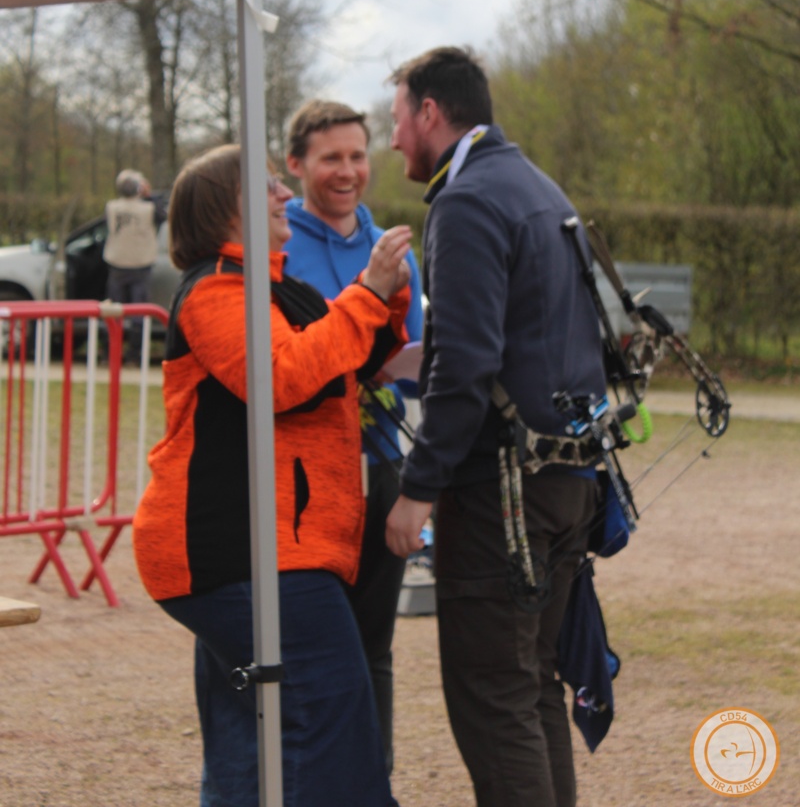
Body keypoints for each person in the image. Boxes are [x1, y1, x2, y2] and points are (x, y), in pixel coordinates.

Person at [132, 143, 411, 807]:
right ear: (226, 209)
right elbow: (281, 377)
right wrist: (368, 292)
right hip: (242, 552)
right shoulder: (215, 292)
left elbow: (346, 354)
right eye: (266, 187)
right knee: (335, 717)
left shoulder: (275, 289)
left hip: (266, 549)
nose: (286, 194)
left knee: (247, 737)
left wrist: (388, 297)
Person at [384, 47, 606, 807]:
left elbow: (466, 364)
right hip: (566, 481)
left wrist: (418, 489)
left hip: (502, 494)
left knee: (494, 702)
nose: (392, 140)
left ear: (430, 113)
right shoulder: (535, 184)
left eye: (396, 120)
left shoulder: (467, 200)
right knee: (531, 689)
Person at [283, 99, 423, 773]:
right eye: (330, 158)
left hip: (380, 461)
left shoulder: (390, 247)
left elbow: (414, 353)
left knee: (374, 646)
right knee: (306, 646)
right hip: (304, 476)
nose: (348, 171)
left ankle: (374, 779)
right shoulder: (277, 244)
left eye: (358, 156)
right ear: (296, 163)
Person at [103, 168, 166, 361]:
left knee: (113, 311)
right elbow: (163, 214)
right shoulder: (149, 208)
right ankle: (135, 354)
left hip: (117, 263)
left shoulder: (111, 207)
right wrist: (149, 194)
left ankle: (111, 352)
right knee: (139, 312)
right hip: (141, 264)